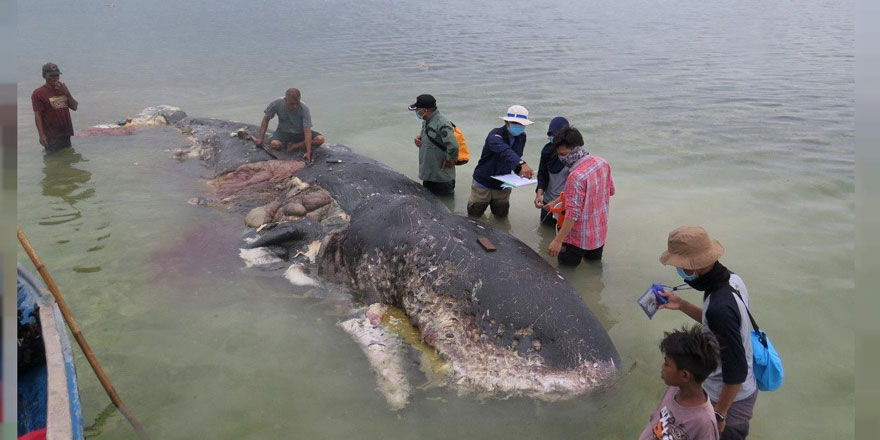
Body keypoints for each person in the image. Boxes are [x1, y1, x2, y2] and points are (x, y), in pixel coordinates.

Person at [657, 225, 758, 440]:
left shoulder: (720, 308)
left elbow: (736, 371)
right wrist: (682, 304)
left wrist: (719, 414)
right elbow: (718, 325)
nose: (678, 270)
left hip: (731, 398)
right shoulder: (731, 280)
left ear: (693, 267)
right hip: (740, 388)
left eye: (679, 265)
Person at [639, 324, 721, 440]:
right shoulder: (674, 388)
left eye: (667, 364)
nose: (662, 367)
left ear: (684, 375)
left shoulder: (704, 423)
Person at [546, 127, 614, 265]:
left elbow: (573, 213)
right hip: (598, 234)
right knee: (594, 271)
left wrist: (558, 240)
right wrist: (558, 200)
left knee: (566, 274)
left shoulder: (575, 177)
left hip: (576, 239)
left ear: (576, 149)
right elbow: (610, 191)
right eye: (559, 154)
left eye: (563, 154)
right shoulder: (602, 162)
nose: (562, 158)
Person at [467, 105, 535, 217]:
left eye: (521, 124)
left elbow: (514, 157)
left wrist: (520, 171)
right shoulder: (494, 135)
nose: (519, 126)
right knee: (474, 216)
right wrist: (522, 163)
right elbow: (504, 150)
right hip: (483, 183)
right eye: (515, 123)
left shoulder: (522, 137)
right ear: (506, 122)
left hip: (504, 184)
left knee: (501, 216)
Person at [255, 88, 325, 163]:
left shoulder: (304, 108)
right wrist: (260, 138)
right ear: (286, 99)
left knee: (320, 139)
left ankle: (295, 145)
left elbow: (307, 131)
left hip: (300, 132)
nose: (295, 106)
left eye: (297, 103)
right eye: (292, 104)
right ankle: (286, 144)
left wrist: (308, 152)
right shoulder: (277, 103)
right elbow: (266, 119)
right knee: (274, 144)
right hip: (283, 131)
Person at [409, 94, 458, 196]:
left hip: (441, 178)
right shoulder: (427, 121)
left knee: (444, 207)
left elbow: (453, 145)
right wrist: (419, 140)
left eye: (418, 110)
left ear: (425, 110)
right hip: (429, 174)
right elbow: (432, 139)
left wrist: (449, 160)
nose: (416, 112)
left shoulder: (442, 123)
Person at [32, 63, 78, 154]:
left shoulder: (62, 89)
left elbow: (75, 107)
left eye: (57, 75)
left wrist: (67, 93)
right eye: (52, 76)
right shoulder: (38, 93)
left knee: (67, 160)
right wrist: (41, 135)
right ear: (44, 75)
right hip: (51, 136)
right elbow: (37, 115)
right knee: (52, 162)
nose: (55, 78)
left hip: (66, 133)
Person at [534, 116, 570, 226]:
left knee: (562, 235)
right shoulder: (547, 150)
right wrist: (539, 194)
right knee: (544, 232)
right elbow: (542, 174)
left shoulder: (573, 155)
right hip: (547, 202)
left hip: (565, 204)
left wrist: (557, 202)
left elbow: (574, 187)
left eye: (555, 135)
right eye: (550, 135)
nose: (552, 138)